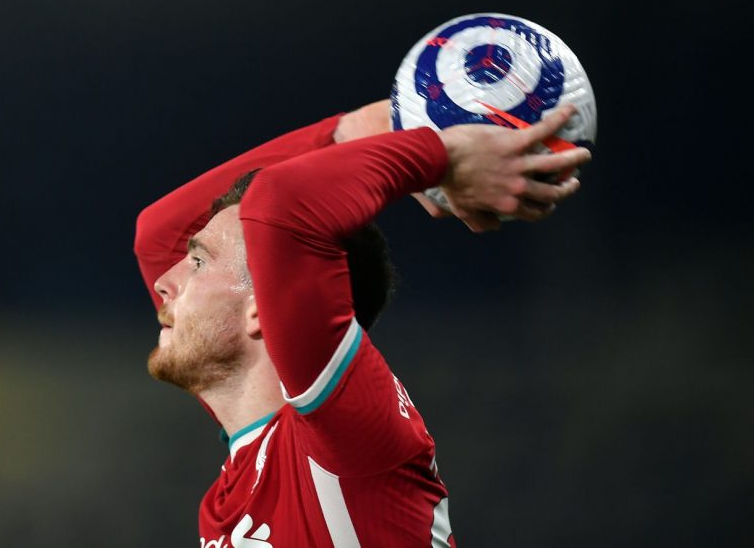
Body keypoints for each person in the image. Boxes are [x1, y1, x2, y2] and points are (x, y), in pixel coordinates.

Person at [133, 100, 589, 547]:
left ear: (262, 310)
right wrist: (367, 128)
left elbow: (280, 205)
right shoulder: (243, 475)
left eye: (196, 262)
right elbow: (158, 235)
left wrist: (443, 155)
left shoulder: (340, 436)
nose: (164, 282)